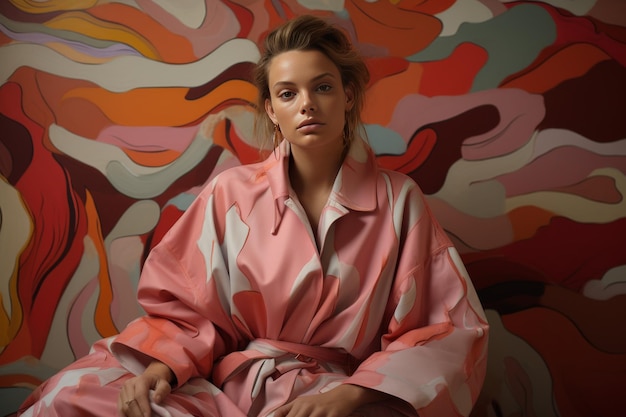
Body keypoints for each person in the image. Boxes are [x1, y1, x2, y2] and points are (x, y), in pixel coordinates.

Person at [19, 14, 489, 417]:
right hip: (223, 383)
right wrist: (161, 369)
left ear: (347, 96)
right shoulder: (232, 193)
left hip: (333, 394)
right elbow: (186, 313)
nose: (306, 104)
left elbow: (441, 329)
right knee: (72, 398)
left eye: (322, 87)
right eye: (287, 94)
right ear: (271, 109)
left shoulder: (399, 200)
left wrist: (349, 395)